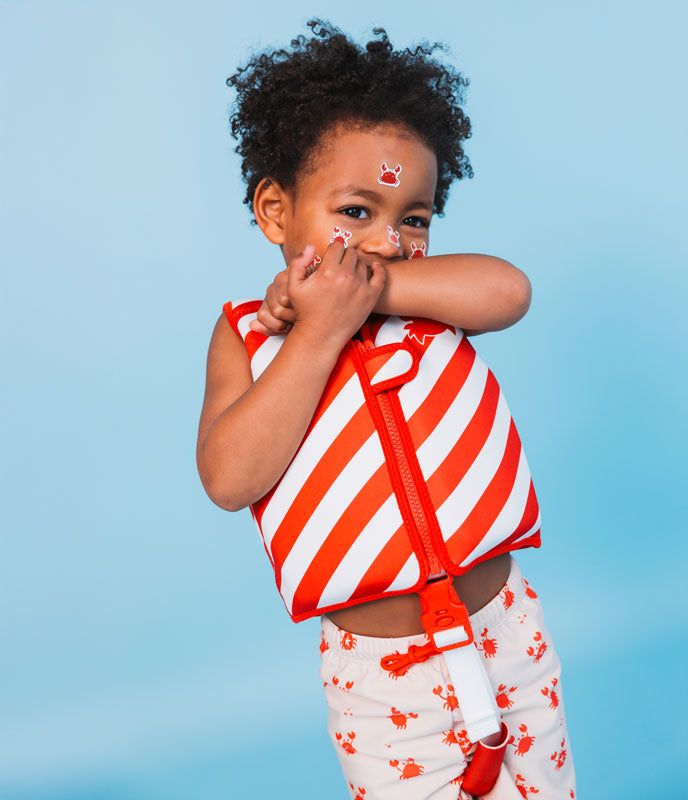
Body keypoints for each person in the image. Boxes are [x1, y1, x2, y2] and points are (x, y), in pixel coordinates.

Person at [197, 19, 577, 799]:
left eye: (414, 218)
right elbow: (230, 478)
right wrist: (318, 331)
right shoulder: (249, 335)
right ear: (275, 211)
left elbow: (511, 291)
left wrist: (370, 292)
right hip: (383, 685)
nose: (387, 241)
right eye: (356, 211)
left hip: (505, 632)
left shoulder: (433, 298)